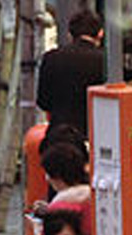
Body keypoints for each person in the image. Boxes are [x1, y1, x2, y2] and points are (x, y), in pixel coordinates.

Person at [36, 8, 105, 150]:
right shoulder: (105, 61)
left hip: (57, 138)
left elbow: (43, 101)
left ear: (69, 34)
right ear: (100, 34)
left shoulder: (51, 58)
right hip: (94, 138)